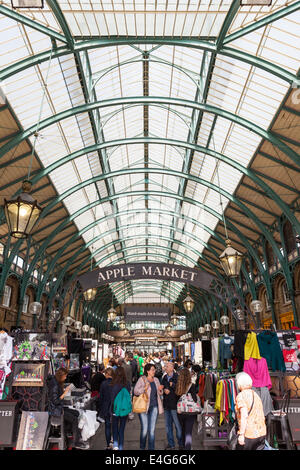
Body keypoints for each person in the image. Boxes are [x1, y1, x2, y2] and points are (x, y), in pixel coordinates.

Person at [46, 367, 89, 450]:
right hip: (56, 411)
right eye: (65, 376)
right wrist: (64, 393)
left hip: (58, 408)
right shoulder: (55, 385)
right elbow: (55, 401)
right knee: (74, 419)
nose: (66, 378)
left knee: (76, 413)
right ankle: (76, 442)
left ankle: (69, 432)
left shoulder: (56, 382)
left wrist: (64, 390)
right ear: (61, 375)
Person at [134, 363, 164, 450]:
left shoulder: (156, 380)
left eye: (154, 370)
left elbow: (159, 394)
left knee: (151, 431)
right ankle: (142, 448)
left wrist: (160, 390)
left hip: (154, 407)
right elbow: (135, 391)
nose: (154, 371)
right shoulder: (142, 379)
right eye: (152, 370)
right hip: (143, 407)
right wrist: (144, 388)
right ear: (147, 371)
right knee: (144, 429)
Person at [235, 372, 266, 450]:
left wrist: (241, 435)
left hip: (249, 434)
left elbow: (244, 416)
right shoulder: (255, 394)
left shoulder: (241, 396)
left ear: (239, 384)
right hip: (261, 433)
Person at [161, 362, 183, 450]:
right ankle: (171, 444)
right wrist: (163, 390)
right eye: (165, 366)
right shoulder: (165, 377)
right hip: (166, 405)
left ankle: (181, 444)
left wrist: (172, 385)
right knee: (168, 426)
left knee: (178, 426)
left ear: (172, 367)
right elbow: (162, 387)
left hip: (175, 405)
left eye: (167, 366)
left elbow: (180, 390)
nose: (165, 368)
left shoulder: (177, 377)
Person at [175, 367, 197, 450]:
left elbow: (176, 398)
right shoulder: (192, 386)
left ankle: (183, 446)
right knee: (188, 432)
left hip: (180, 412)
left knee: (183, 429)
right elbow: (194, 399)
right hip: (190, 411)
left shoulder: (178, 385)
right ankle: (188, 448)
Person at [111, 366, 131, 450]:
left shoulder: (113, 384)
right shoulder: (128, 383)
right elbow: (129, 395)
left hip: (115, 409)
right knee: (122, 429)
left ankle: (115, 445)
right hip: (124, 409)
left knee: (115, 427)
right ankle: (121, 447)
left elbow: (112, 398)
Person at [98, 368, 114, 449]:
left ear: (107, 374)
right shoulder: (116, 383)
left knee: (107, 426)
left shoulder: (103, 384)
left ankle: (108, 445)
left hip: (106, 407)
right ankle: (115, 443)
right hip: (115, 407)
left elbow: (101, 397)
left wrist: (100, 408)